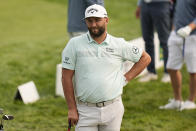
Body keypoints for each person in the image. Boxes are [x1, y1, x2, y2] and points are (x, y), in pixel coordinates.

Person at [62, 4, 151, 131]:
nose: (93, 25)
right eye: (89, 21)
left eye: (97, 20)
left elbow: (145, 58)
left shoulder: (118, 44)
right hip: (85, 111)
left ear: (106, 20)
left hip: (113, 109)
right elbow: (66, 77)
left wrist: (126, 78)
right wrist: (71, 108)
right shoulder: (74, 44)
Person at [159, 0, 196, 110]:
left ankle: (191, 101)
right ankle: (177, 100)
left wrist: (190, 27)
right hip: (176, 34)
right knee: (171, 68)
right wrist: (173, 28)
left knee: (193, 70)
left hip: (193, 36)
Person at [135, 0, 171, 82]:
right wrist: (139, 5)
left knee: (164, 40)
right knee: (147, 39)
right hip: (144, 4)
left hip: (161, 3)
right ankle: (151, 72)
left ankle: (168, 72)